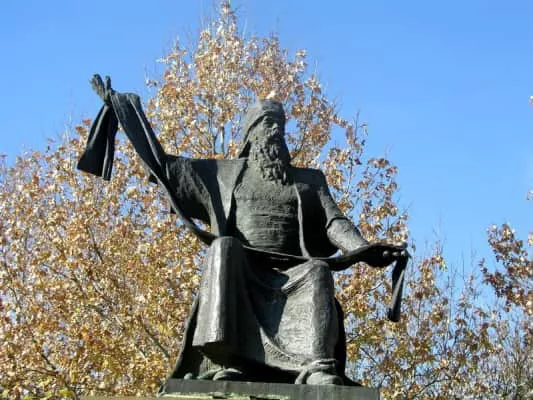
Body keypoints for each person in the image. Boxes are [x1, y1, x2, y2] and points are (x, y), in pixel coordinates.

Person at [78, 75, 407, 386]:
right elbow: (163, 166)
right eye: (267, 124)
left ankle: (317, 367)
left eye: (279, 126)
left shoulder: (310, 180)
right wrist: (123, 109)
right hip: (240, 272)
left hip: (294, 273)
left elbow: (334, 222)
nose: (275, 131)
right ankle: (226, 360)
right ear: (250, 133)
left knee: (318, 270)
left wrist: (363, 249)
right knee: (224, 247)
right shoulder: (220, 174)